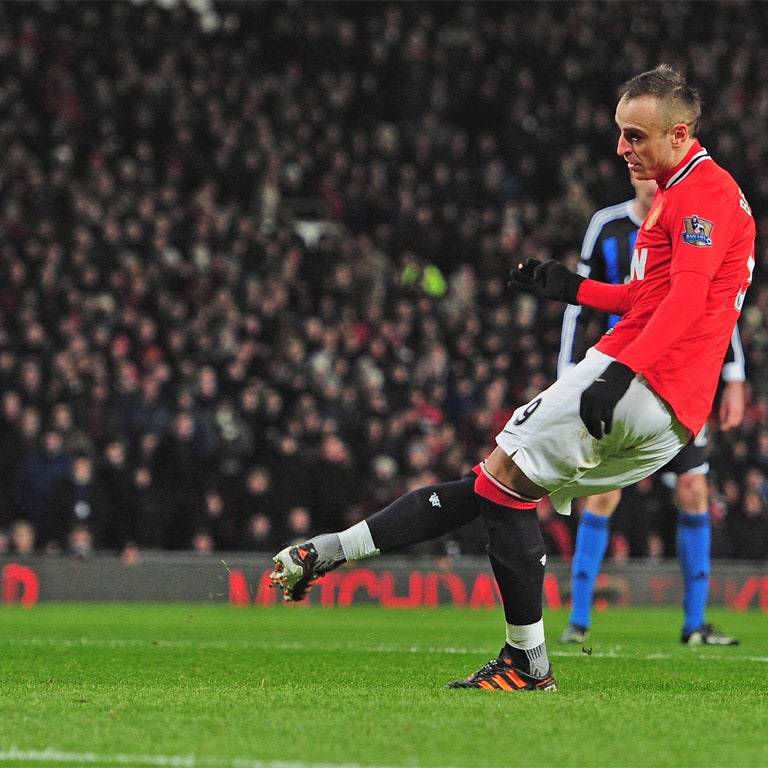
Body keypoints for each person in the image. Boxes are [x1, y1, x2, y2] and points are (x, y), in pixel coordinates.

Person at [270, 65, 756, 691]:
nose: (621, 149)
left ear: (679, 133)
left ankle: (527, 661)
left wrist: (619, 375)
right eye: (620, 134)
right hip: (670, 408)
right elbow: (650, 294)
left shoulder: (703, 195)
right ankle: (328, 552)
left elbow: (685, 303)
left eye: (635, 136)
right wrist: (573, 288)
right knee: (495, 486)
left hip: (642, 378)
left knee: (501, 483)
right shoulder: (689, 191)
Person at [558, 175, 746, 646]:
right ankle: (578, 621)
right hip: (624, 371)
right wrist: (569, 368)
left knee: (694, 488)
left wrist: (735, 374)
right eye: (636, 169)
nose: (645, 178)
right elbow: (578, 306)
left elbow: (715, 303)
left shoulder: (691, 220)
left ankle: (695, 625)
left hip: (682, 374)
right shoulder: (608, 226)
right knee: (604, 494)